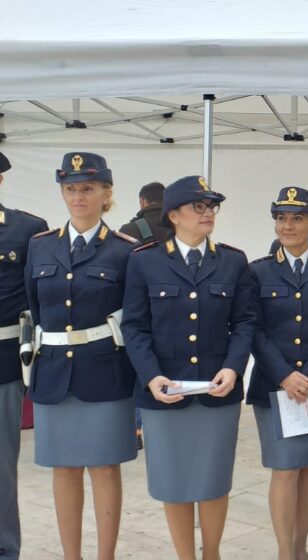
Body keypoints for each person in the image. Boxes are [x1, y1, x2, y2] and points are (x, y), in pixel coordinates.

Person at [121, 175, 254, 560]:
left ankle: (211, 553)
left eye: (211, 207)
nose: (208, 213)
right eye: (199, 207)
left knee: (213, 482)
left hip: (217, 391)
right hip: (165, 391)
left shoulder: (232, 260)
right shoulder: (144, 261)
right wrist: (150, 375)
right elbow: (135, 326)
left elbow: (244, 322)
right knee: (173, 482)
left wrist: (233, 368)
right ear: (173, 215)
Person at [24, 152, 138, 560]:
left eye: (88, 188)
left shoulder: (127, 251)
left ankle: (104, 556)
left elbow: (135, 319)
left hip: (105, 371)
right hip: (54, 372)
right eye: (71, 189)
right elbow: (37, 311)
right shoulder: (40, 247)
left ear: (107, 194)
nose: (79, 196)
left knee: (105, 467)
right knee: (64, 468)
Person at [246, 187, 308, 560]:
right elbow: (252, 329)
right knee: (285, 468)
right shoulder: (257, 270)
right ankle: (285, 553)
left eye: (297, 218)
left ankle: (301, 546)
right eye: (281, 218)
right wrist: (286, 376)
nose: (287, 225)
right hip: (276, 388)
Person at [0, 151, 48, 560]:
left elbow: (39, 297)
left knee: (1, 466)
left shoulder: (27, 230)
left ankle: (4, 549)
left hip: (1, 361)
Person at [119, 181, 170, 450]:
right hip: (174, 313)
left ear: (142, 202)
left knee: (141, 365)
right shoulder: (178, 225)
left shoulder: (130, 230)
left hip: (141, 309)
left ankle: (138, 427)